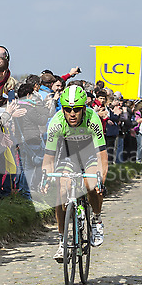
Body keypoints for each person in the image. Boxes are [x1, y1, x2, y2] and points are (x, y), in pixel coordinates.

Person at [41, 86, 108, 261]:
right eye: (67, 109)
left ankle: (96, 219)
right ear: (62, 109)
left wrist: (101, 181)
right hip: (67, 156)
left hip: (89, 156)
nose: (72, 113)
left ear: (83, 109)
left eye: (76, 109)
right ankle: (63, 241)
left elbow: (102, 156)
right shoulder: (56, 123)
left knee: (91, 186)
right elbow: (49, 157)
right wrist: (46, 178)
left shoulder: (93, 119)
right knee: (61, 191)